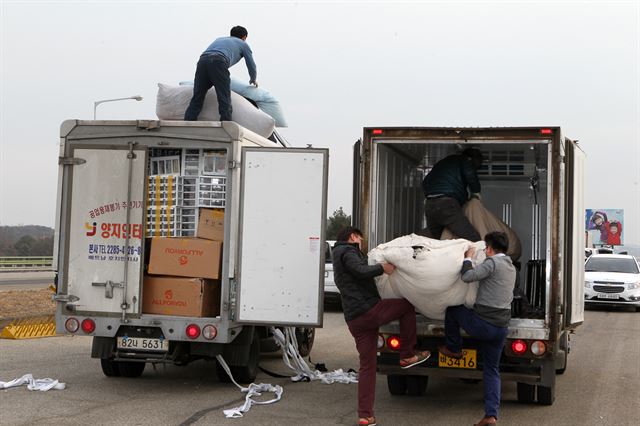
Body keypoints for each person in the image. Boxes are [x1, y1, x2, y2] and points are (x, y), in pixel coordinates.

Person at [332, 226, 430, 426]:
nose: (361, 241)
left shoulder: (337, 254)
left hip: (354, 319)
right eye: (360, 238)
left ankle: (365, 415)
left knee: (368, 366)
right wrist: (382, 268)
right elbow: (359, 271)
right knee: (406, 305)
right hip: (367, 311)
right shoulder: (347, 251)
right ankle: (407, 354)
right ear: (353, 237)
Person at [438, 231, 516, 426]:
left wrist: (469, 258)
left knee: (453, 310)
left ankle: (454, 348)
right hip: (501, 328)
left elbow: (467, 277)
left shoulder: (491, 263)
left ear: (489, 248)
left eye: (486, 248)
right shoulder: (510, 266)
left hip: (484, 324)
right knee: (491, 370)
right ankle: (491, 415)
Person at [184, 26, 258, 122]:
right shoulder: (243, 44)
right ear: (244, 37)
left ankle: (189, 121)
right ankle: (226, 122)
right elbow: (251, 64)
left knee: (198, 95)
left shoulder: (219, 39)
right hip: (218, 61)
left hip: (202, 61)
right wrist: (253, 79)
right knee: (223, 95)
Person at [422, 148, 483, 242]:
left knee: (439, 241)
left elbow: (425, 181)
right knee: (473, 239)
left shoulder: (442, 163)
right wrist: (476, 192)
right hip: (446, 204)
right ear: (472, 159)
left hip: (430, 205)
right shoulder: (465, 160)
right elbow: (470, 175)